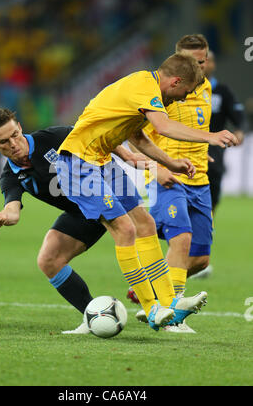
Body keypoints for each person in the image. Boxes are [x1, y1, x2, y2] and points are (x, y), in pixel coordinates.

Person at [56, 53, 237, 332]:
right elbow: (163, 126)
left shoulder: (145, 91)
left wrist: (171, 162)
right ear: (175, 81)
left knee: (146, 224)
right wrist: (210, 137)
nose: (181, 99)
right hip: (79, 162)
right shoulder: (144, 86)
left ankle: (170, 303)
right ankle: (153, 310)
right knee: (125, 230)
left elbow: (138, 137)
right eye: (184, 92)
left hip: (103, 160)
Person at [0, 108, 150, 334]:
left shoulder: (54, 137)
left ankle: (158, 296)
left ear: (20, 128)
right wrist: (5, 215)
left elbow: (97, 135)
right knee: (48, 260)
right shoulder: (11, 176)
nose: (13, 144)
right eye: (4, 141)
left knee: (147, 228)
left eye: (15, 135)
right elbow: (13, 208)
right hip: (81, 213)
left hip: (107, 187)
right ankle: (93, 316)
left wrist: (127, 156)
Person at [128, 35, 240, 332]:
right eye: (191, 63)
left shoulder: (204, 87)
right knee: (182, 240)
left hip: (199, 176)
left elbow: (193, 128)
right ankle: (171, 313)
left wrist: (203, 153)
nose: (198, 68)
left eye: (202, 62)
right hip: (168, 176)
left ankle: (152, 290)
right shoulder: (160, 92)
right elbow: (137, 135)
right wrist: (155, 166)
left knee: (200, 259)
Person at [205, 50, 246, 213]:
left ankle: (208, 225)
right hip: (187, 147)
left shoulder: (222, 92)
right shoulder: (185, 90)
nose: (204, 65)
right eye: (201, 61)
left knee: (213, 192)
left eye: (208, 61)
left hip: (214, 151)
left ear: (214, 65)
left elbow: (239, 116)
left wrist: (240, 131)